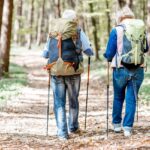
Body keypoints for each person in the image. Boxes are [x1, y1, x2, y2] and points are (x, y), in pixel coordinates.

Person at [42, 9, 93, 140]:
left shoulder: (54, 32)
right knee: (73, 100)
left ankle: (62, 133)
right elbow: (88, 51)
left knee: (59, 103)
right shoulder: (78, 31)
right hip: (73, 70)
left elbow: (45, 54)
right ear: (74, 20)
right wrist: (88, 49)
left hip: (56, 71)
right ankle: (73, 127)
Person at [104, 6, 149, 137]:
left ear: (120, 17)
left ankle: (117, 125)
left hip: (120, 68)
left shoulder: (116, 30)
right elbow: (145, 48)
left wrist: (106, 56)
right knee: (132, 99)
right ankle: (128, 128)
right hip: (138, 68)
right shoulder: (140, 28)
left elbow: (109, 53)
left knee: (118, 97)